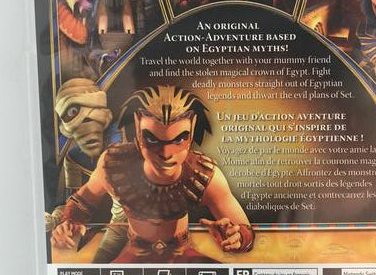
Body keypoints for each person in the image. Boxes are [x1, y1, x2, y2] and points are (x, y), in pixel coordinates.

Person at [51, 85, 254, 263]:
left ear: (191, 132)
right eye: (153, 139)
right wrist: (69, 223)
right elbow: (82, 201)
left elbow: (244, 230)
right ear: (138, 131)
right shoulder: (113, 164)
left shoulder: (204, 174)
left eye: (178, 140)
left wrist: (238, 237)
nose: (165, 154)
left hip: (181, 254)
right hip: (132, 253)